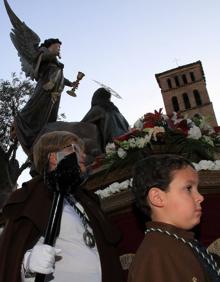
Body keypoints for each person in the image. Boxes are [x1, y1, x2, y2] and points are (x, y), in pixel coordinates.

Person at [0, 131, 124, 282]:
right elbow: (12, 254)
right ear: (53, 157)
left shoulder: (83, 198)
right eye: (75, 149)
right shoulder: (32, 198)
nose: (84, 155)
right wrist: (27, 264)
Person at [128, 154, 220, 282]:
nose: (200, 197)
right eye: (188, 188)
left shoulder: (183, 242)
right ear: (158, 198)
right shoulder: (155, 256)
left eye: (197, 189)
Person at [14, 38, 77, 155]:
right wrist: (50, 54)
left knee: (49, 119)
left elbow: (60, 78)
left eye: (59, 47)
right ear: (49, 47)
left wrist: (71, 84)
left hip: (55, 94)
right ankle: (19, 122)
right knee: (34, 108)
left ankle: (45, 136)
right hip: (44, 90)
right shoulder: (43, 54)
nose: (59, 49)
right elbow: (41, 60)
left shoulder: (55, 63)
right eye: (57, 46)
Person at [82, 87, 129, 152]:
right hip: (126, 142)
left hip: (111, 146)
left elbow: (82, 125)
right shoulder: (116, 110)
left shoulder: (98, 108)